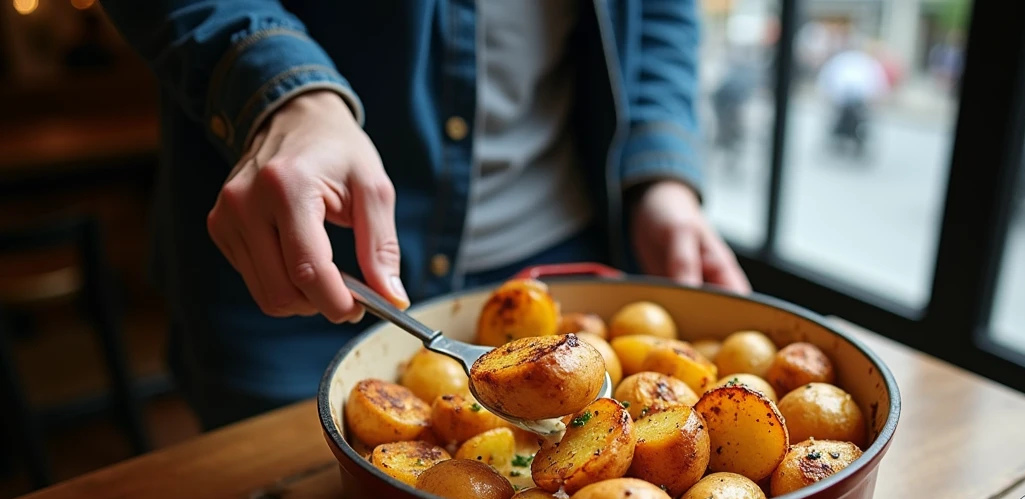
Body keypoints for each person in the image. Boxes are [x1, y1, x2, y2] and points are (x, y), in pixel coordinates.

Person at [99, 2, 751, 430]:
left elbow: (661, 12)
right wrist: (279, 90)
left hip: (563, 244)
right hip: (302, 263)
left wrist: (659, 174)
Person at [815, 41, 889, 154]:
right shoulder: (862, 62)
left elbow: (878, 84)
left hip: (857, 101)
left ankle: (856, 140)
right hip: (843, 99)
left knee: (861, 122)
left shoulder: (865, 62)